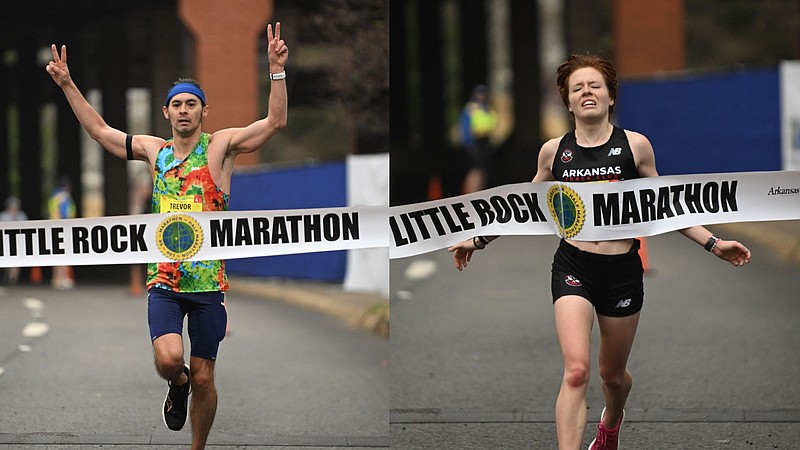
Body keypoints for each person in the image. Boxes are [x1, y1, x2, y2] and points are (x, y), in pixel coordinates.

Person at [448, 53, 751, 450]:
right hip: (573, 265)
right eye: (578, 88)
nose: (586, 92)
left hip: (622, 271)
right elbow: (521, 206)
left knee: (612, 376)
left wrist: (714, 244)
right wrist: (479, 239)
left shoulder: (636, 147)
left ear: (610, 98)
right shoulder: (553, 152)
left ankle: (611, 420)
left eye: (595, 86)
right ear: (568, 102)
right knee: (576, 371)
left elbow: (667, 205)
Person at [47, 22, 288, 450]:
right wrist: (68, 85)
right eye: (176, 104)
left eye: (191, 104)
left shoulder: (220, 147)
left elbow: (274, 122)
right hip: (165, 280)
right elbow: (101, 132)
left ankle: (197, 446)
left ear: (203, 112)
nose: (183, 110)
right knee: (170, 360)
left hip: (209, 283)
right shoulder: (154, 151)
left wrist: (275, 71)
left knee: (206, 376)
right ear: (166, 112)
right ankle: (176, 386)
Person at [459, 84, 498, 193]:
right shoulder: (471, 109)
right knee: (476, 171)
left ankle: (479, 193)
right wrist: (469, 143)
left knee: (483, 172)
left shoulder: (488, 109)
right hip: (475, 142)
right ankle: (471, 193)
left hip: (485, 142)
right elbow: (465, 127)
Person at [49, 177, 76, 290]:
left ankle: (56, 278)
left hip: (54, 227)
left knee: (57, 254)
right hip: (63, 227)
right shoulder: (64, 197)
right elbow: (69, 213)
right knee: (64, 254)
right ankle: (62, 278)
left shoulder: (53, 197)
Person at [0, 196, 29, 284]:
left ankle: (13, 280)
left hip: (18, 242)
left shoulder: (22, 215)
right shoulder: (3, 215)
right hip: (5, 242)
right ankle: (7, 275)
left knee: (17, 260)